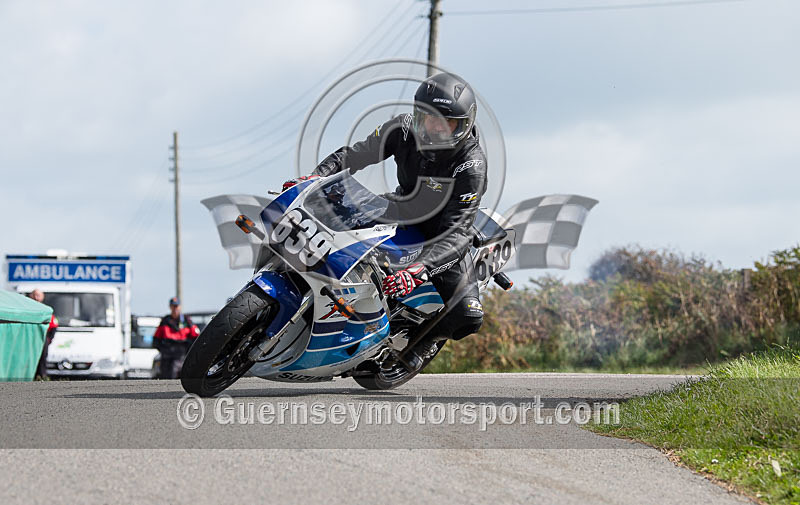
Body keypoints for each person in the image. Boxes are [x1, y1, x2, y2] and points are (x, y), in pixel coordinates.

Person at [284, 72, 487, 370]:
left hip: (442, 233)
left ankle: (420, 345)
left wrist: (420, 269)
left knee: (468, 317)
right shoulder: (402, 128)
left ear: (464, 124)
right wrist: (315, 178)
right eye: (429, 117)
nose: (435, 127)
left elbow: (457, 232)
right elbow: (354, 155)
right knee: (330, 218)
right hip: (402, 209)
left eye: (447, 122)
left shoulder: (471, 165)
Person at [153, 297, 199, 379]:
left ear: (180, 307)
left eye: (176, 306)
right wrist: (162, 349)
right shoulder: (165, 320)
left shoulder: (186, 320)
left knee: (174, 372)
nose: (175, 308)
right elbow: (156, 338)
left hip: (180, 352)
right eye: (173, 306)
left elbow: (196, 336)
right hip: (167, 352)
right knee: (164, 375)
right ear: (170, 307)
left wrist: (189, 350)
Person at [29, 289, 58, 380]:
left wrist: (49, 339)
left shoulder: (46, 310)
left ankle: (42, 376)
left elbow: (53, 325)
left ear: (42, 297)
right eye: (34, 295)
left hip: (42, 337)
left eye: (38, 295)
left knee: (42, 358)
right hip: (30, 338)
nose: (36, 298)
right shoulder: (27, 309)